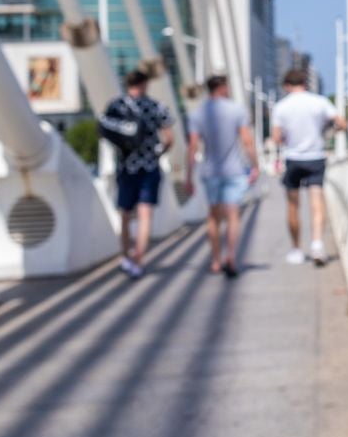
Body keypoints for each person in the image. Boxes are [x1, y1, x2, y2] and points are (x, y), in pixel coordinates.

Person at [98, 67, 175, 279]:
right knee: (144, 214)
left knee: (124, 214)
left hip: (126, 167)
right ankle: (138, 259)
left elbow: (105, 131)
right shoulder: (157, 107)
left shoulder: (116, 105)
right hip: (149, 167)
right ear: (145, 84)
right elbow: (169, 139)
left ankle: (125, 257)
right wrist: (158, 152)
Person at [269, 67, 344, 265]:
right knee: (317, 203)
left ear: (286, 85)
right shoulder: (320, 102)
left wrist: (286, 138)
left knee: (293, 205)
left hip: (293, 158)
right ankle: (317, 245)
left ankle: (296, 249)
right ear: (305, 83)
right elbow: (342, 124)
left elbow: (276, 138)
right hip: (316, 157)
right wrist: (329, 132)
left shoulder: (281, 106)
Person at [188, 73, 257, 277]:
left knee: (213, 217)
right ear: (223, 88)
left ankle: (216, 260)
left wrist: (188, 176)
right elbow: (247, 141)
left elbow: (192, 147)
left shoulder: (197, 113)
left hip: (210, 172)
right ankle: (232, 256)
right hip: (234, 171)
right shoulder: (237, 110)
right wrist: (255, 165)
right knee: (233, 216)